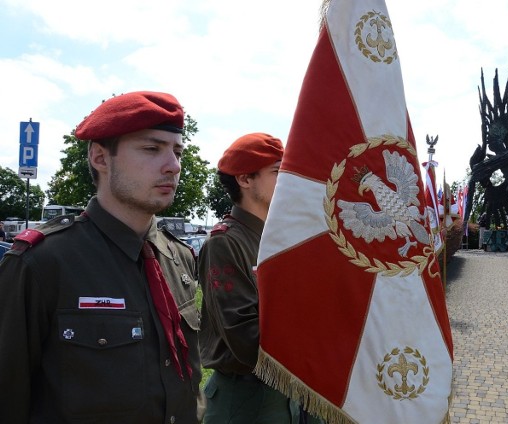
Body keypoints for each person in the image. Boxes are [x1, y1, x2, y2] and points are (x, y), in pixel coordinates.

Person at [0, 91, 203, 423]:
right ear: (100, 158)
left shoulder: (177, 257)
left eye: (177, 151)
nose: (174, 165)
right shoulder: (42, 263)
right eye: (152, 149)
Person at [199, 133, 320, 424]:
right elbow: (245, 337)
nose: (287, 180)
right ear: (244, 179)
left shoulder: (278, 239)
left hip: (287, 394)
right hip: (245, 400)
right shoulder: (225, 243)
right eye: (278, 171)